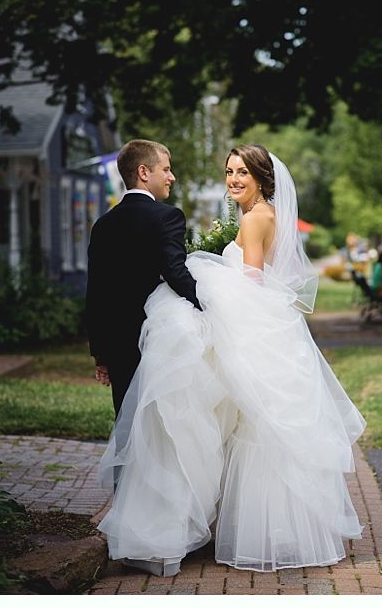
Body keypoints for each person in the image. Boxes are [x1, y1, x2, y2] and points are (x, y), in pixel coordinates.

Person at [98, 143, 366, 575]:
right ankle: (257, 526)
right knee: (250, 426)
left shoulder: (258, 217)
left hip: (255, 328)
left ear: (261, 178)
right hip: (263, 329)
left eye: (242, 172)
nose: (233, 180)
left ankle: (266, 531)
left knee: (254, 428)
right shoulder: (258, 215)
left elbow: (253, 285)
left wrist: (208, 291)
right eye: (229, 172)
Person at [86, 139, 202, 577]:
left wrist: (101, 353)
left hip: (118, 349)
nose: (172, 176)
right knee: (165, 437)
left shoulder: (104, 224)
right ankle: (164, 532)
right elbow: (175, 271)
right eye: (167, 168)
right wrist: (207, 303)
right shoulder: (166, 216)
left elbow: (95, 294)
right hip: (160, 344)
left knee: (129, 436)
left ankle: (131, 536)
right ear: (143, 174)